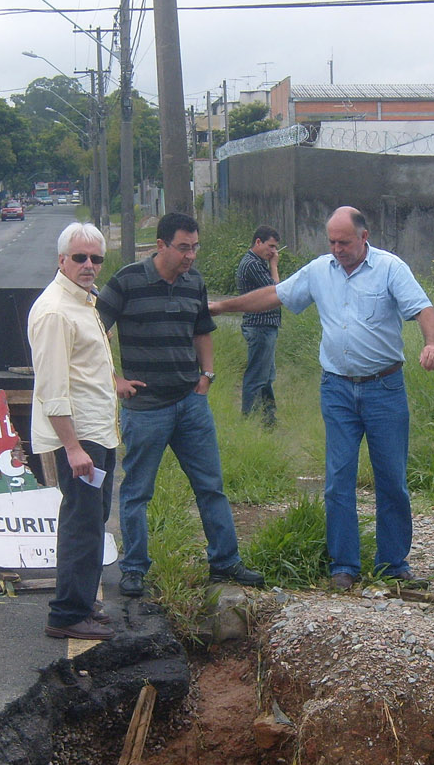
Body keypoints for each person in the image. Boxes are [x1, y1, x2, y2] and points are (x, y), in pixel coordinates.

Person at [209, 206, 434, 591]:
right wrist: (222, 307)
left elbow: (423, 309)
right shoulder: (320, 270)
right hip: (337, 390)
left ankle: (393, 564)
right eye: (332, 241)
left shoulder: (390, 269)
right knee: (338, 479)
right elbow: (275, 295)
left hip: (384, 389)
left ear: (364, 237)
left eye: (344, 242)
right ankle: (344, 566)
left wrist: (432, 343)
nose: (337, 249)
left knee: (391, 479)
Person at [96, 211, 264, 598]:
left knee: (211, 486)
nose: (190, 255)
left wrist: (207, 376)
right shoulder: (127, 281)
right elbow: (95, 332)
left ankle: (225, 562)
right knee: (137, 492)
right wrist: (114, 379)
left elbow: (202, 331)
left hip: (190, 404)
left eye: (195, 247)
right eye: (183, 248)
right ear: (161, 245)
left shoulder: (194, 283)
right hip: (145, 408)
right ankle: (134, 568)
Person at [27, 223, 120, 641]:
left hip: (98, 432)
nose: (88, 265)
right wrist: (72, 447)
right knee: (81, 524)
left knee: (92, 521)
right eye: (79, 257)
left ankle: (82, 602)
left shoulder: (85, 302)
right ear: (61, 259)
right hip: (80, 438)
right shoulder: (54, 311)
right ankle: (67, 614)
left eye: (96, 259)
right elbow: (53, 389)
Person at [236, 225, 283, 425]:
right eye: (270, 246)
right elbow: (276, 292)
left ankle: (268, 420)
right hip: (260, 326)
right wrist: (274, 266)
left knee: (266, 377)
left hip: (265, 327)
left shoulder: (256, 263)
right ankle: (249, 420)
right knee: (257, 377)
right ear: (258, 242)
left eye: (275, 248)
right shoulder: (252, 264)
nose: (273, 252)